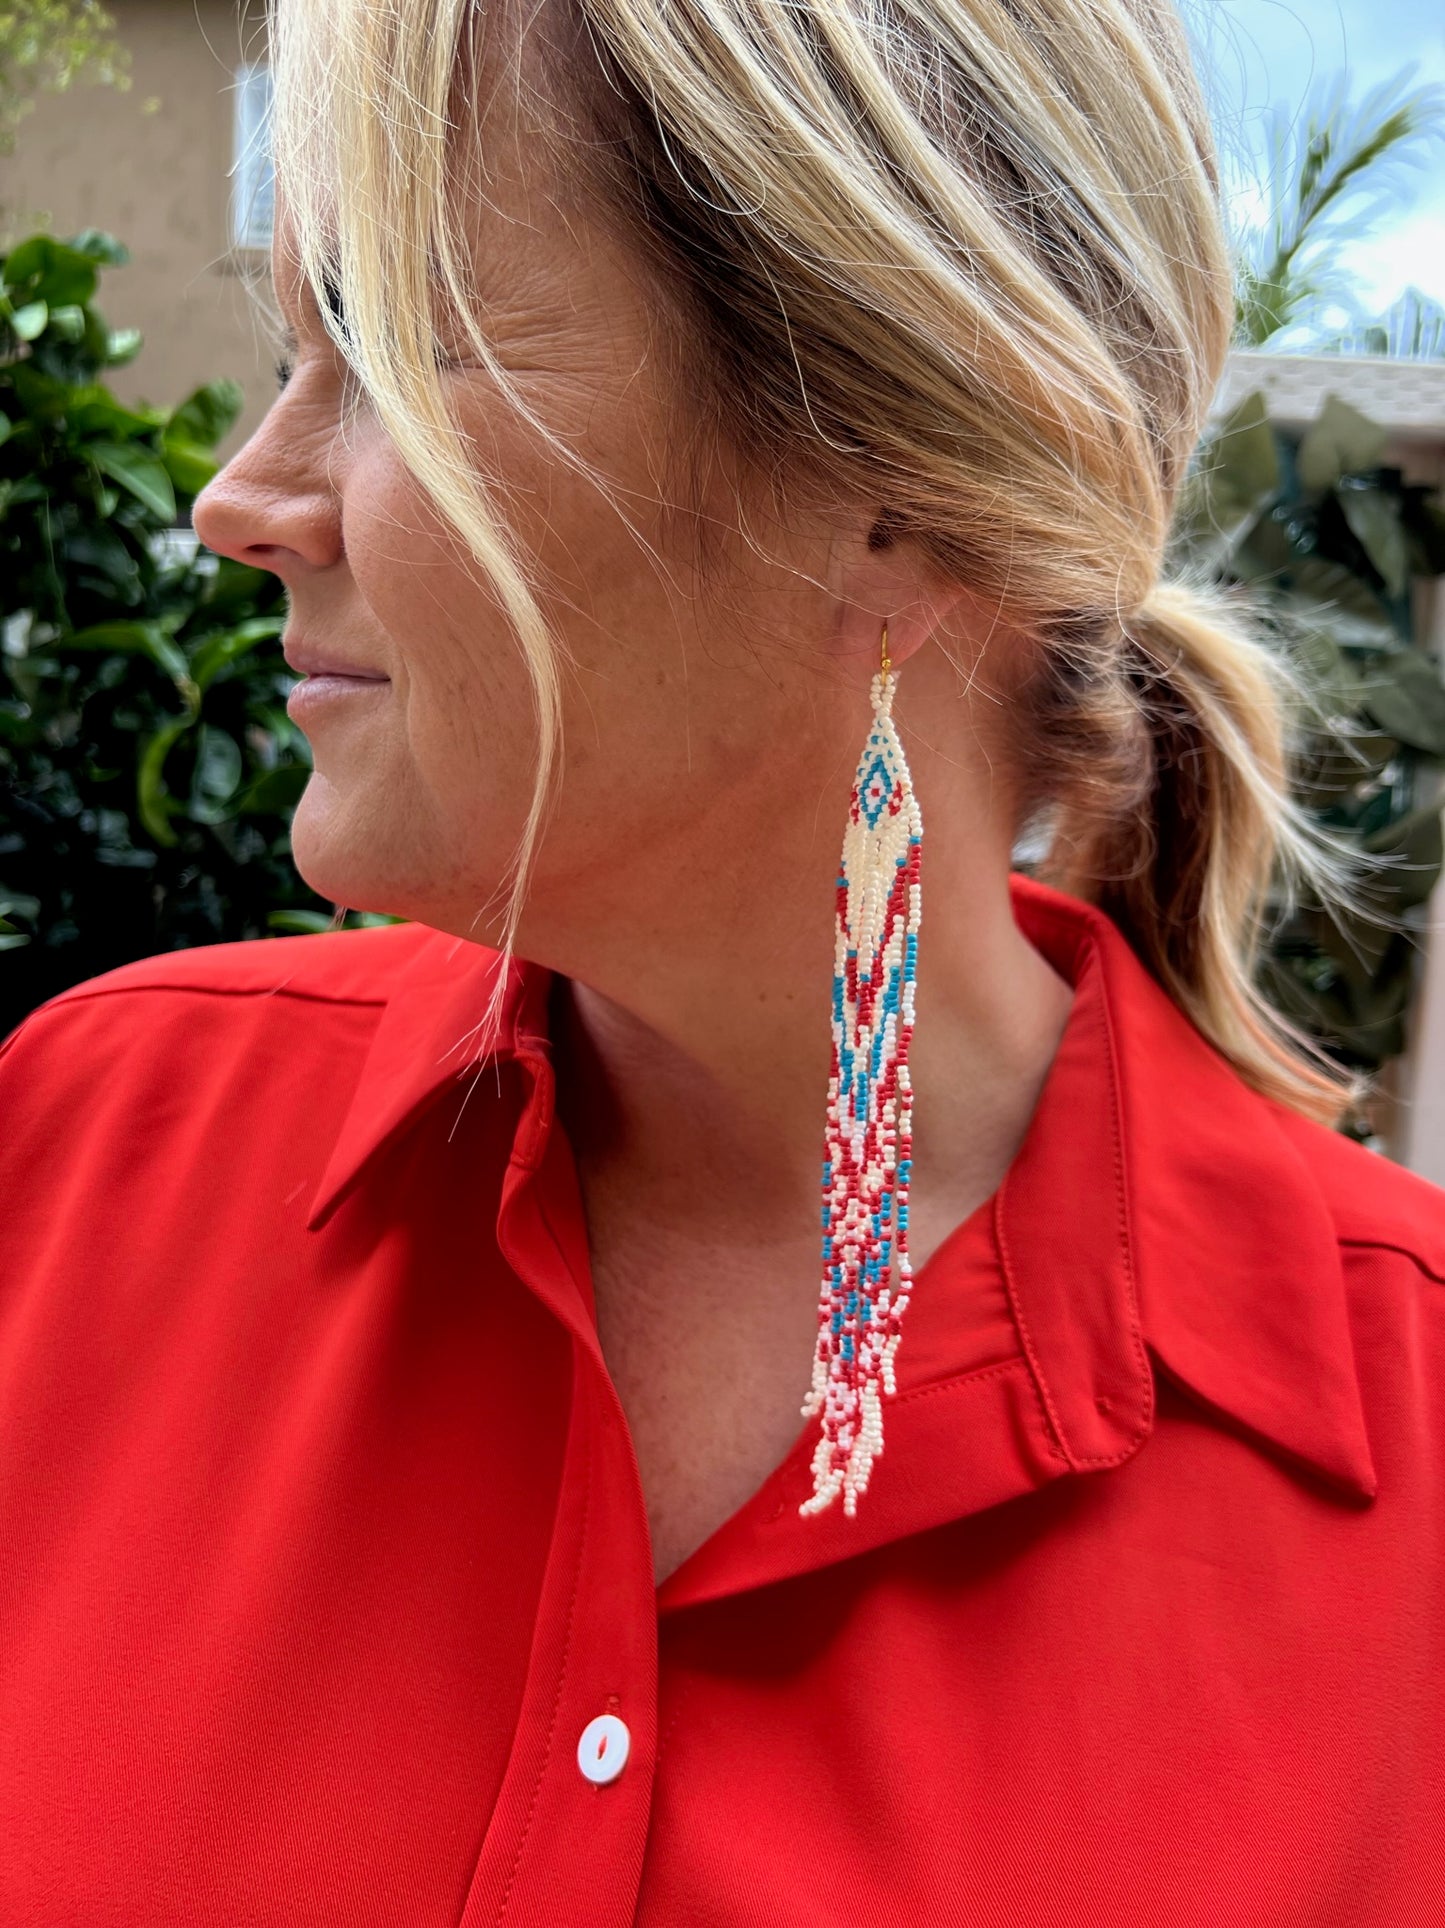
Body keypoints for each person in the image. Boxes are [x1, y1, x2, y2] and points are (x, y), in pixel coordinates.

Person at [2, 0, 1442, 1918]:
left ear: (902, 480)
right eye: (292, 348)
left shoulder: (1399, 1495)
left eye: (404, 346)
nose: (242, 503)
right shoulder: (75, 1168)